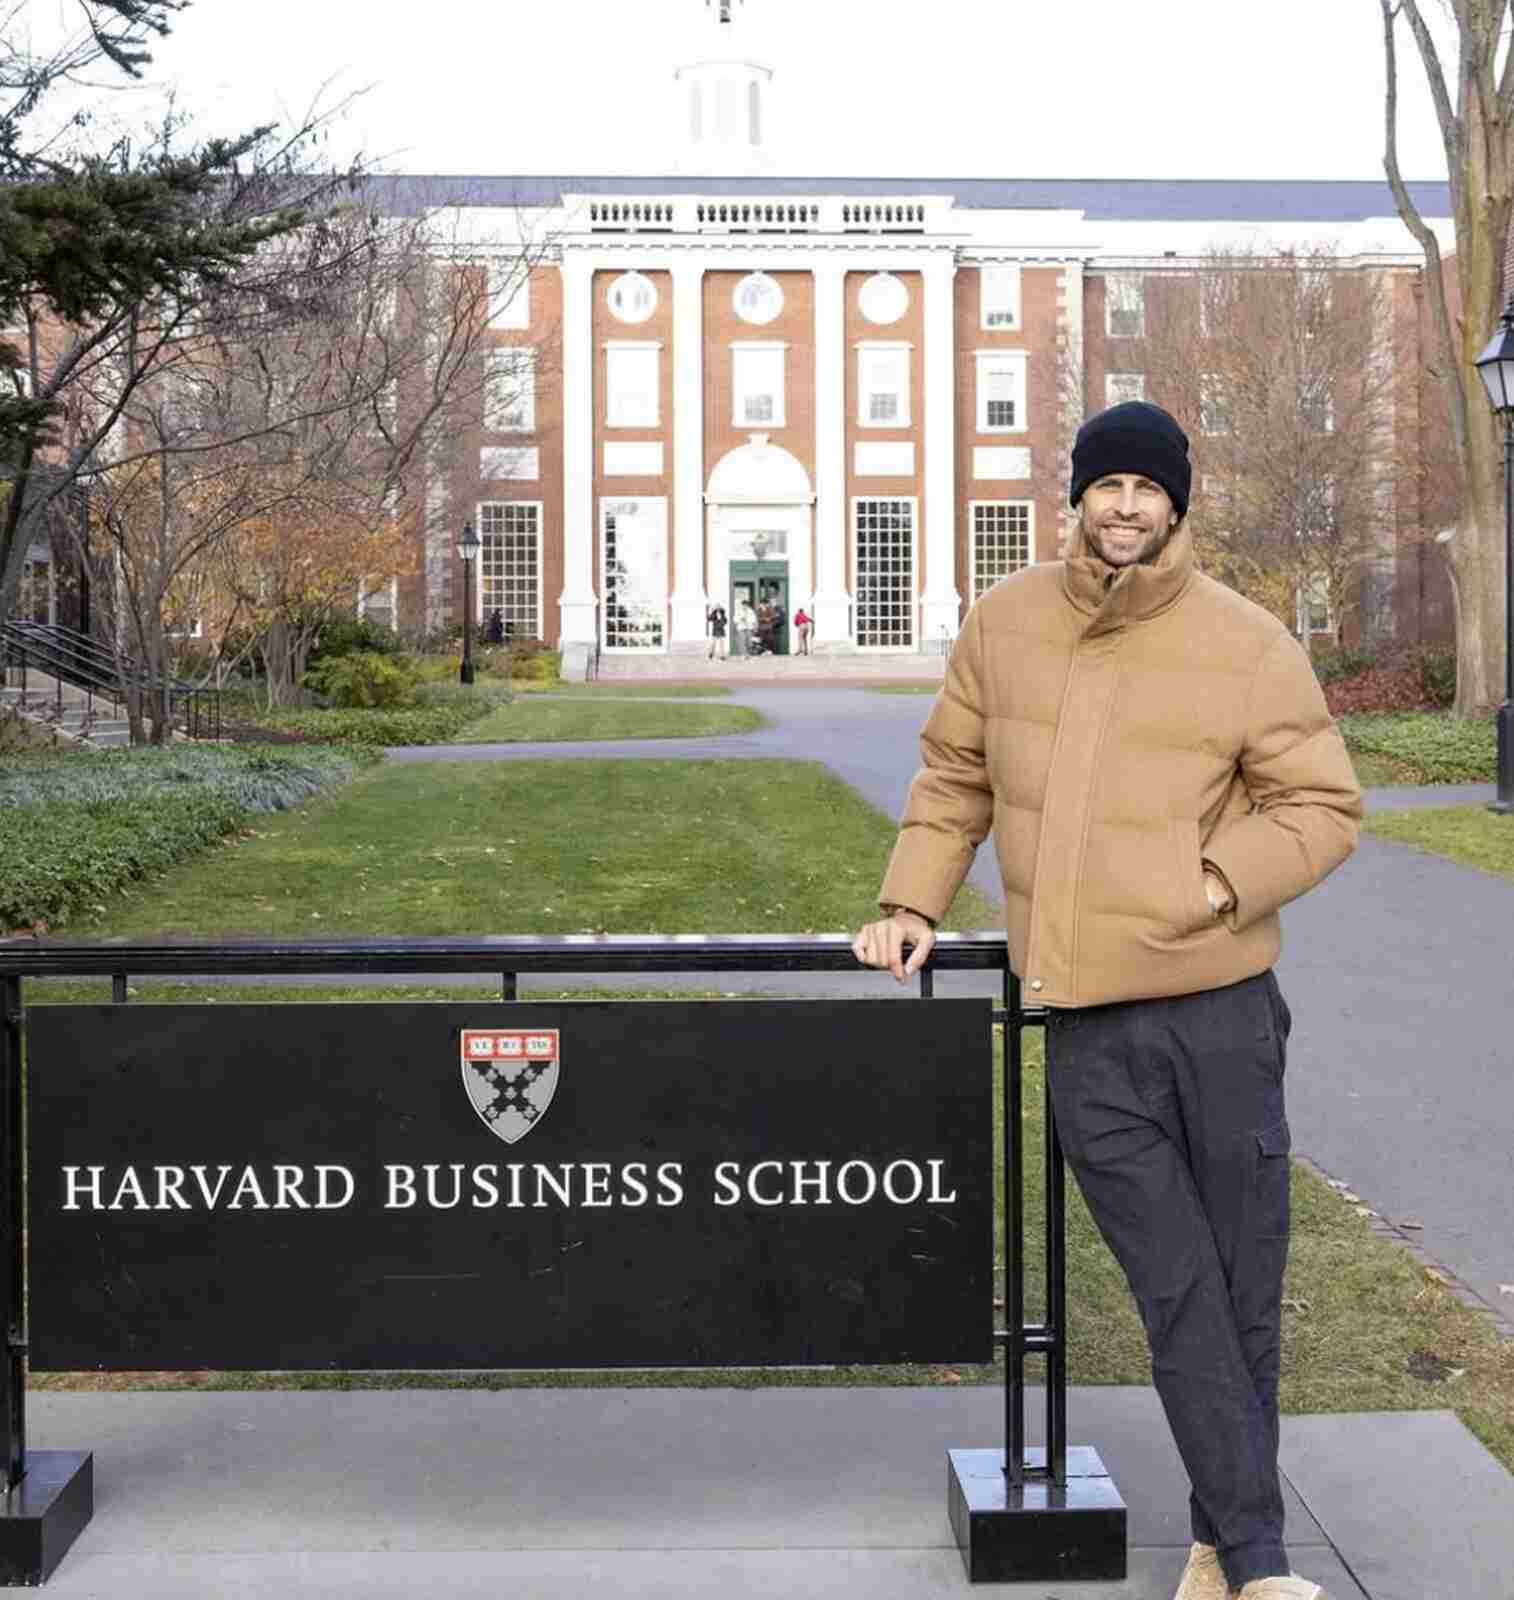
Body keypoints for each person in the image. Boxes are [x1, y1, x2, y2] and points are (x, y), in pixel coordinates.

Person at [852, 401, 1361, 1600]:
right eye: (1105, 484)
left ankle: (1226, 1552)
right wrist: (912, 901)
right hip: (1086, 1028)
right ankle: (1263, 1561)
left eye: (1146, 487)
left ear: (1176, 502)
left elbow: (1321, 805)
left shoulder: (1244, 641)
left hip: (1222, 1015)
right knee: (1176, 1286)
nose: (1124, 505)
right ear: (1074, 496)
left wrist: (1213, 880)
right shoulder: (1004, 622)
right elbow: (951, 778)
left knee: (1239, 1288)